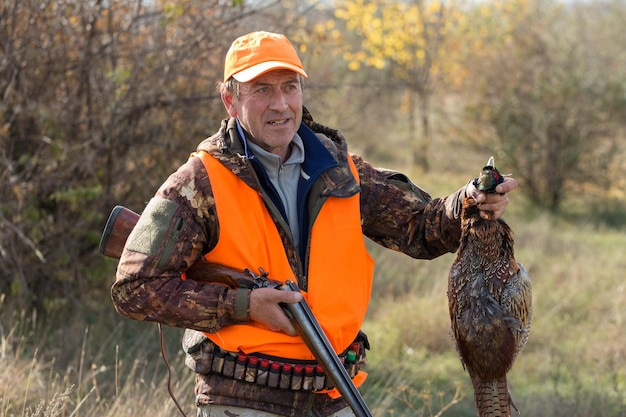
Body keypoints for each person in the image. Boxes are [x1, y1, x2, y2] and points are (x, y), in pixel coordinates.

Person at [111, 31, 518, 417]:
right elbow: (134, 289)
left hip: (334, 391)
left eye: (290, 87)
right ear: (230, 101)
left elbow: (423, 230)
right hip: (241, 398)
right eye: (262, 90)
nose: (280, 104)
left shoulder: (342, 171)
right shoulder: (199, 182)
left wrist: (471, 200)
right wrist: (243, 305)